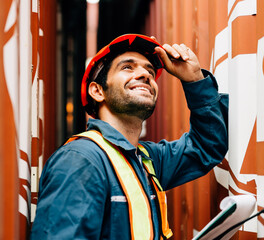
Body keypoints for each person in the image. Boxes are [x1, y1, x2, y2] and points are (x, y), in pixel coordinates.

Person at [30, 34, 228, 240]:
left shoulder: (146, 160)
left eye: (150, 70)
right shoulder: (80, 160)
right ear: (97, 91)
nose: (145, 74)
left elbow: (206, 146)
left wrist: (194, 79)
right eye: (127, 67)